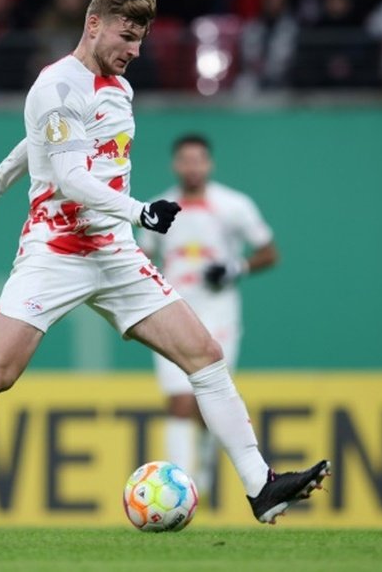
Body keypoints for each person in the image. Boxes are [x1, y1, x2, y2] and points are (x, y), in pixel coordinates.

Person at [0, 0, 329, 524]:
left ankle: (262, 486)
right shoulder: (55, 87)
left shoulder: (118, 88)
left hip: (114, 253)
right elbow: (67, 174)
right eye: (127, 36)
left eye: (140, 39)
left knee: (204, 356)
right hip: (56, 250)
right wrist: (141, 211)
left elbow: (38, 141)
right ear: (94, 25)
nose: (135, 51)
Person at [138, 135, 279, 498]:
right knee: (179, 399)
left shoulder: (233, 205)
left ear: (209, 164)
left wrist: (236, 267)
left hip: (219, 314)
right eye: (185, 160)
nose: (192, 166)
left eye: (198, 159)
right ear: (175, 165)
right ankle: (179, 489)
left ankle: (203, 459)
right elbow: (142, 256)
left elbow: (268, 251)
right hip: (171, 312)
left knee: (207, 400)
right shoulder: (158, 209)